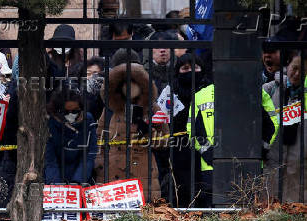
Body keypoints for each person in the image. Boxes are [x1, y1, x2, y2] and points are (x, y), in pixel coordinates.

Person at [187, 80, 278, 207]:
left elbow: (272, 123)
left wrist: (260, 148)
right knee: (218, 210)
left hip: (249, 162)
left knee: (248, 209)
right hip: (212, 166)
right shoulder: (201, 95)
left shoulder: (258, 93)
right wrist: (208, 152)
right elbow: (193, 129)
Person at [94, 61, 168, 201]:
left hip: (143, 170)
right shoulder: (110, 110)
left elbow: (165, 142)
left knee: (144, 214)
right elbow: (99, 139)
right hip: (112, 170)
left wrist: (147, 130)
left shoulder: (152, 109)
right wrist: (100, 165)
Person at [153, 53, 210, 206]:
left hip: (205, 144)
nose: (190, 71)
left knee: (203, 185)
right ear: (178, 71)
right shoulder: (171, 91)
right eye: (185, 68)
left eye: (195, 68)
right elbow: (160, 119)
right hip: (178, 147)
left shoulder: (209, 90)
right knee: (181, 186)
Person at [263, 53, 307, 202]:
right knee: (271, 203)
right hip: (273, 157)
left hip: (300, 162)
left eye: (303, 70)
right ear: (287, 66)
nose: (297, 74)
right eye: (294, 68)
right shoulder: (269, 89)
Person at [44, 88, 98, 185]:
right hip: (57, 172)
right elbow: (50, 159)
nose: (70, 115)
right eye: (66, 112)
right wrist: (55, 184)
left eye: (75, 111)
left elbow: (89, 155)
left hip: (81, 174)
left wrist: (78, 180)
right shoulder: (51, 123)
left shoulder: (88, 120)